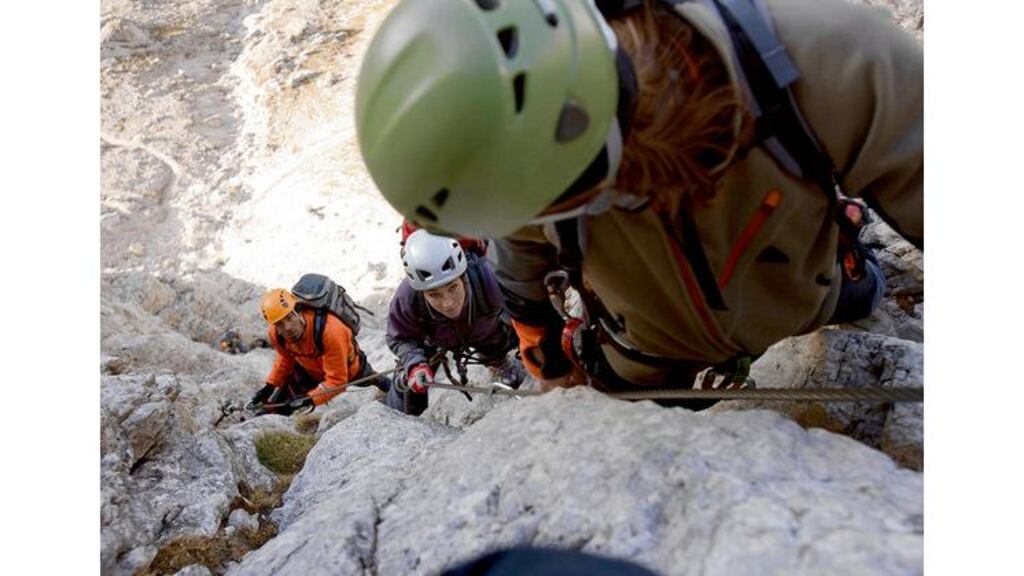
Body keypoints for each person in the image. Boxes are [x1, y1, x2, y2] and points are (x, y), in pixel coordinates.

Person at [355, 0, 922, 407]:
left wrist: (554, 361)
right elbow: (520, 275)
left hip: (795, 298)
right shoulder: (521, 169)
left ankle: (850, 252)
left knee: (863, 292)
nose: (528, 220)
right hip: (651, 350)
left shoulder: (825, 60)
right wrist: (549, 361)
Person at [385, 229, 527, 415]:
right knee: (408, 389)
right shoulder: (408, 299)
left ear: (464, 277)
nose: (448, 303)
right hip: (434, 341)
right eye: (434, 295)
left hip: (487, 331)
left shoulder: (489, 278)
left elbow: (527, 311)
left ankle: (498, 362)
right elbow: (399, 337)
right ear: (421, 292)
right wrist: (414, 363)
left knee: (499, 338)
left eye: (453, 287)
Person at [249, 288, 388, 416]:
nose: (287, 328)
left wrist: (310, 399)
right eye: (279, 323)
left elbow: (338, 381)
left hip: (349, 369)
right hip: (310, 370)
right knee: (281, 404)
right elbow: (285, 358)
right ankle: (266, 418)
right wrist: (270, 386)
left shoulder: (331, 330)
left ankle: (388, 384)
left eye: (289, 318)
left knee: (374, 381)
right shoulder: (276, 334)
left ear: (298, 310)